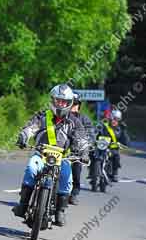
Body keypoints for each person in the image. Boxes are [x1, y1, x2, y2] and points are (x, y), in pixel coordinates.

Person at [13, 84, 89, 227]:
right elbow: (30, 128)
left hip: (63, 158)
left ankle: (60, 211)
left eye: (64, 102)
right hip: (41, 154)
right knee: (31, 169)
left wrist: (84, 152)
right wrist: (23, 136)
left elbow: (82, 138)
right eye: (58, 101)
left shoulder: (74, 122)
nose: (60, 104)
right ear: (52, 100)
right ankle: (22, 205)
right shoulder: (42, 116)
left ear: (69, 103)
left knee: (67, 179)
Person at [69, 92, 96, 204]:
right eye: (70, 104)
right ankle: (33, 187)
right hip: (60, 150)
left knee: (76, 171)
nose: (73, 106)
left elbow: (90, 134)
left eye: (75, 104)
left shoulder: (84, 119)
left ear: (79, 106)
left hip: (76, 152)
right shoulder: (59, 117)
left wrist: (86, 149)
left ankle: (74, 193)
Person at [94, 108, 128, 182]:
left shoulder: (120, 129)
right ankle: (93, 173)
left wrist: (124, 131)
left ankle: (115, 173)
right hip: (102, 148)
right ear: (110, 118)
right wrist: (95, 137)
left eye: (117, 119)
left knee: (117, 157)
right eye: (113, 118)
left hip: (113, 149)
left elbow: (125, 141)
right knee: (93, 155)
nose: (114, 121)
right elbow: (97, 134)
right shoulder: (104, 126)